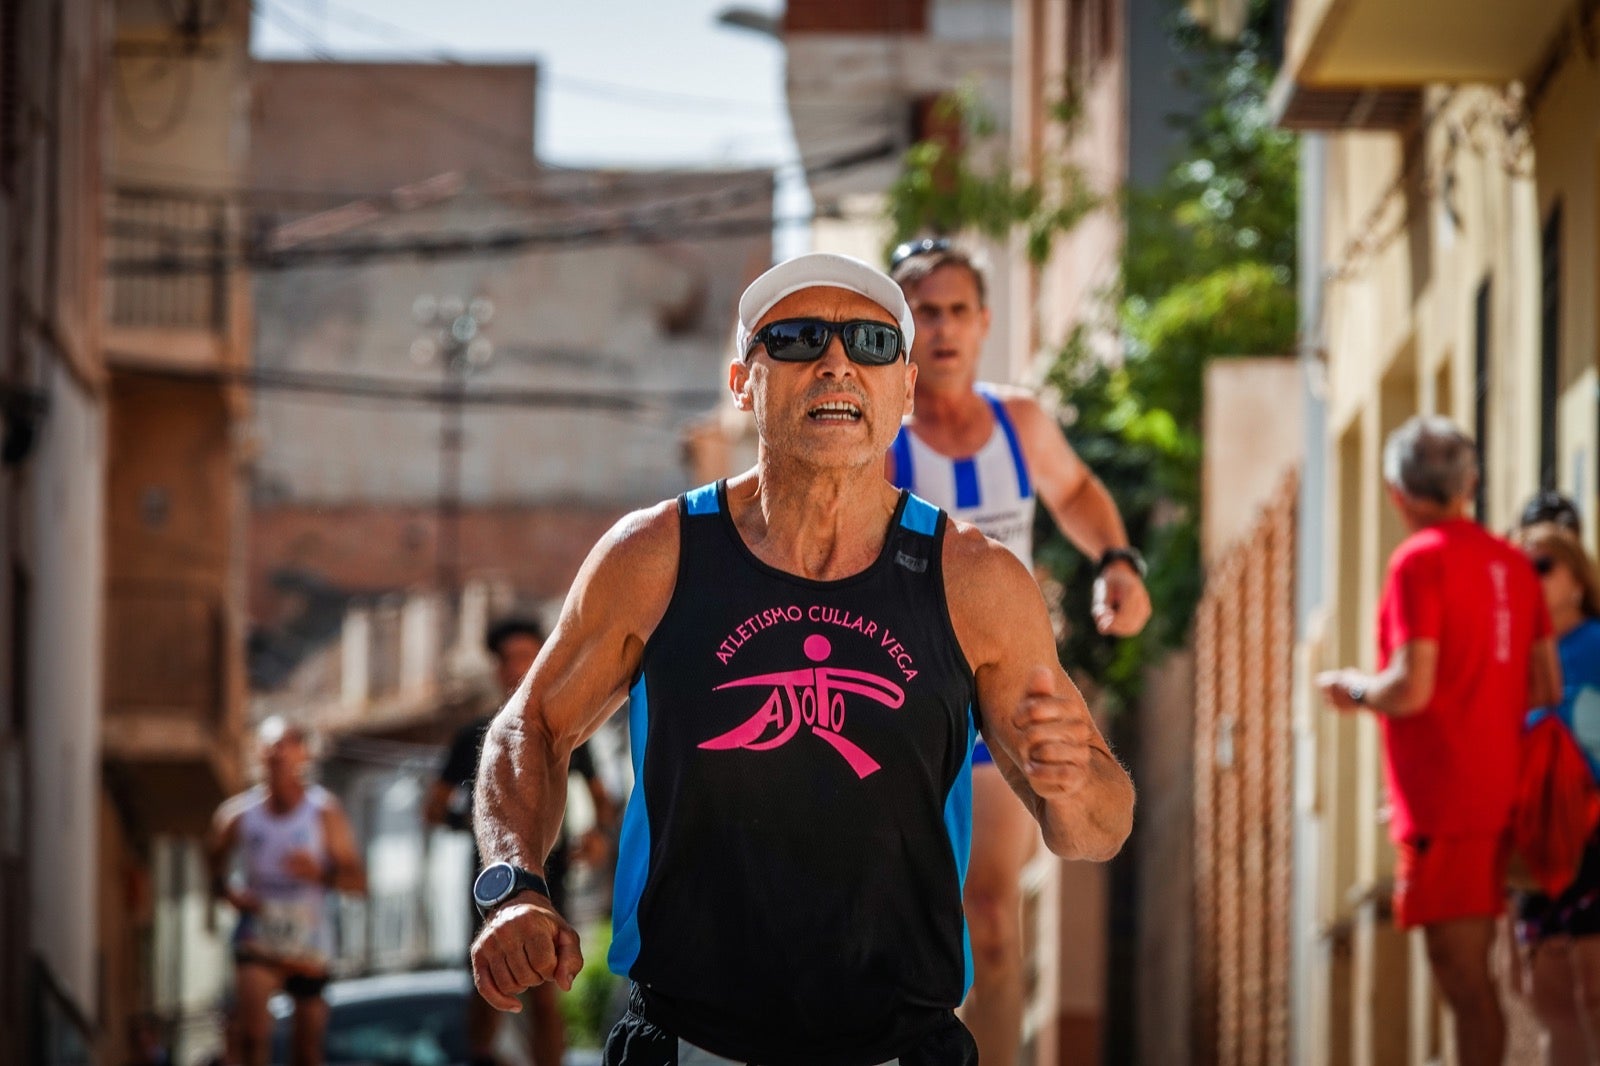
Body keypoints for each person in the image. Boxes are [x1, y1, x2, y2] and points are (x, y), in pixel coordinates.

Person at [465, 252, 1135, 1065]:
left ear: (905, 389)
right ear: (745, 381)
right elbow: (529, 725)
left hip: (901, 1044)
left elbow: (1095, 830)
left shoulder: (977, 581)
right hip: (691, 1043)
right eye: (798, 340)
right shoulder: (657, 555)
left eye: (870, 344)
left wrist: (1076, 784)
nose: (836, 364)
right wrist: (513, 888)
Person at [885, 237, 1151, 1063]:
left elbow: (1073, 490)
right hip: (895, 706)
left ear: (985, 321)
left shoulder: (1019, 421)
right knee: (892, 925)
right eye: (925, 311)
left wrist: (1116, 562)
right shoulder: (876, 435)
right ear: (900, 323)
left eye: (959, 310)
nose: (943, 328)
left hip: (995, 701)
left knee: (993, 926)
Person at [1315, 416, 1560, 1066]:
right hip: (1502, 793)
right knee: (1482, 982)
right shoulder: (1513, 562)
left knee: (1465, 983)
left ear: (1398, 492)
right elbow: (1545, 685)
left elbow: (1412, 687)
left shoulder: (1417, 562)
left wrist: (1355, 689)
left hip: (1446, 805)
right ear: (1470, 484)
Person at [425, 615, 618, 1066]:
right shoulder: (471, 735)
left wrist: (597, 837)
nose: (518, 666)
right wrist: (477, 826)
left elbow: (603, 801)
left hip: (554, 877)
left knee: (548, 992)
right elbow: (434, 808)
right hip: (489, 877)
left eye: (527, 655)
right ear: (496, 668)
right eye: (509, 658)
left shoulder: (565, 731)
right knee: (489, 987)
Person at [207, 717, 367, 1066]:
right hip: (258, 935)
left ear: (302, 754)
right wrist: (227, 891)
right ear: (257, 753)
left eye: (285, 745)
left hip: (308, 943)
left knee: (307, 1049)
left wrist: (321, 873)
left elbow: (358, 882)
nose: (277, 754)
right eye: (269, 745)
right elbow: (212, 867)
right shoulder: (236, 816)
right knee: (251, 1038)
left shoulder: (324, 812)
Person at [1508, 521, 1600, 1065]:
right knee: (1547, 995)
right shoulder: (1514, 657)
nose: (1529, 577)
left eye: (1542, 566)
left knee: (1593, 983)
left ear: (1578, 581)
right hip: (1538, 844)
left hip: (1593, 836)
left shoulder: (1595, 644)